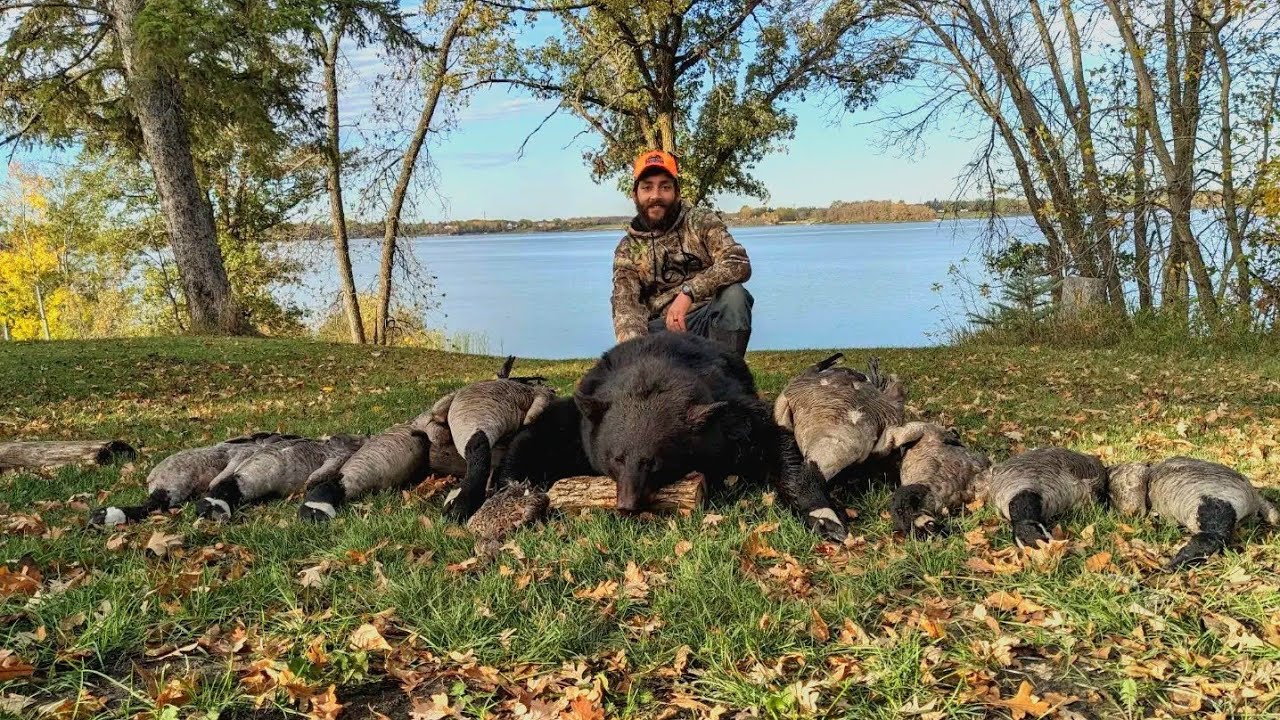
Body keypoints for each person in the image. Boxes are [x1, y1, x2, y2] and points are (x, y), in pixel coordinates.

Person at [610, 149, 755, 357]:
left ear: (676, 192)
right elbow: (626, 307)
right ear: (635, 194)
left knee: (735, 296)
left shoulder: (700, 221)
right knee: (634, 345)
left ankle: (729, 375)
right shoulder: (628, 248)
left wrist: (688, 293)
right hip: (661, 333)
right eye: (647, 187)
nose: (655, 196)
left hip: (706, 319)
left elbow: (737, 262)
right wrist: (634, 355)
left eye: (665, 187)